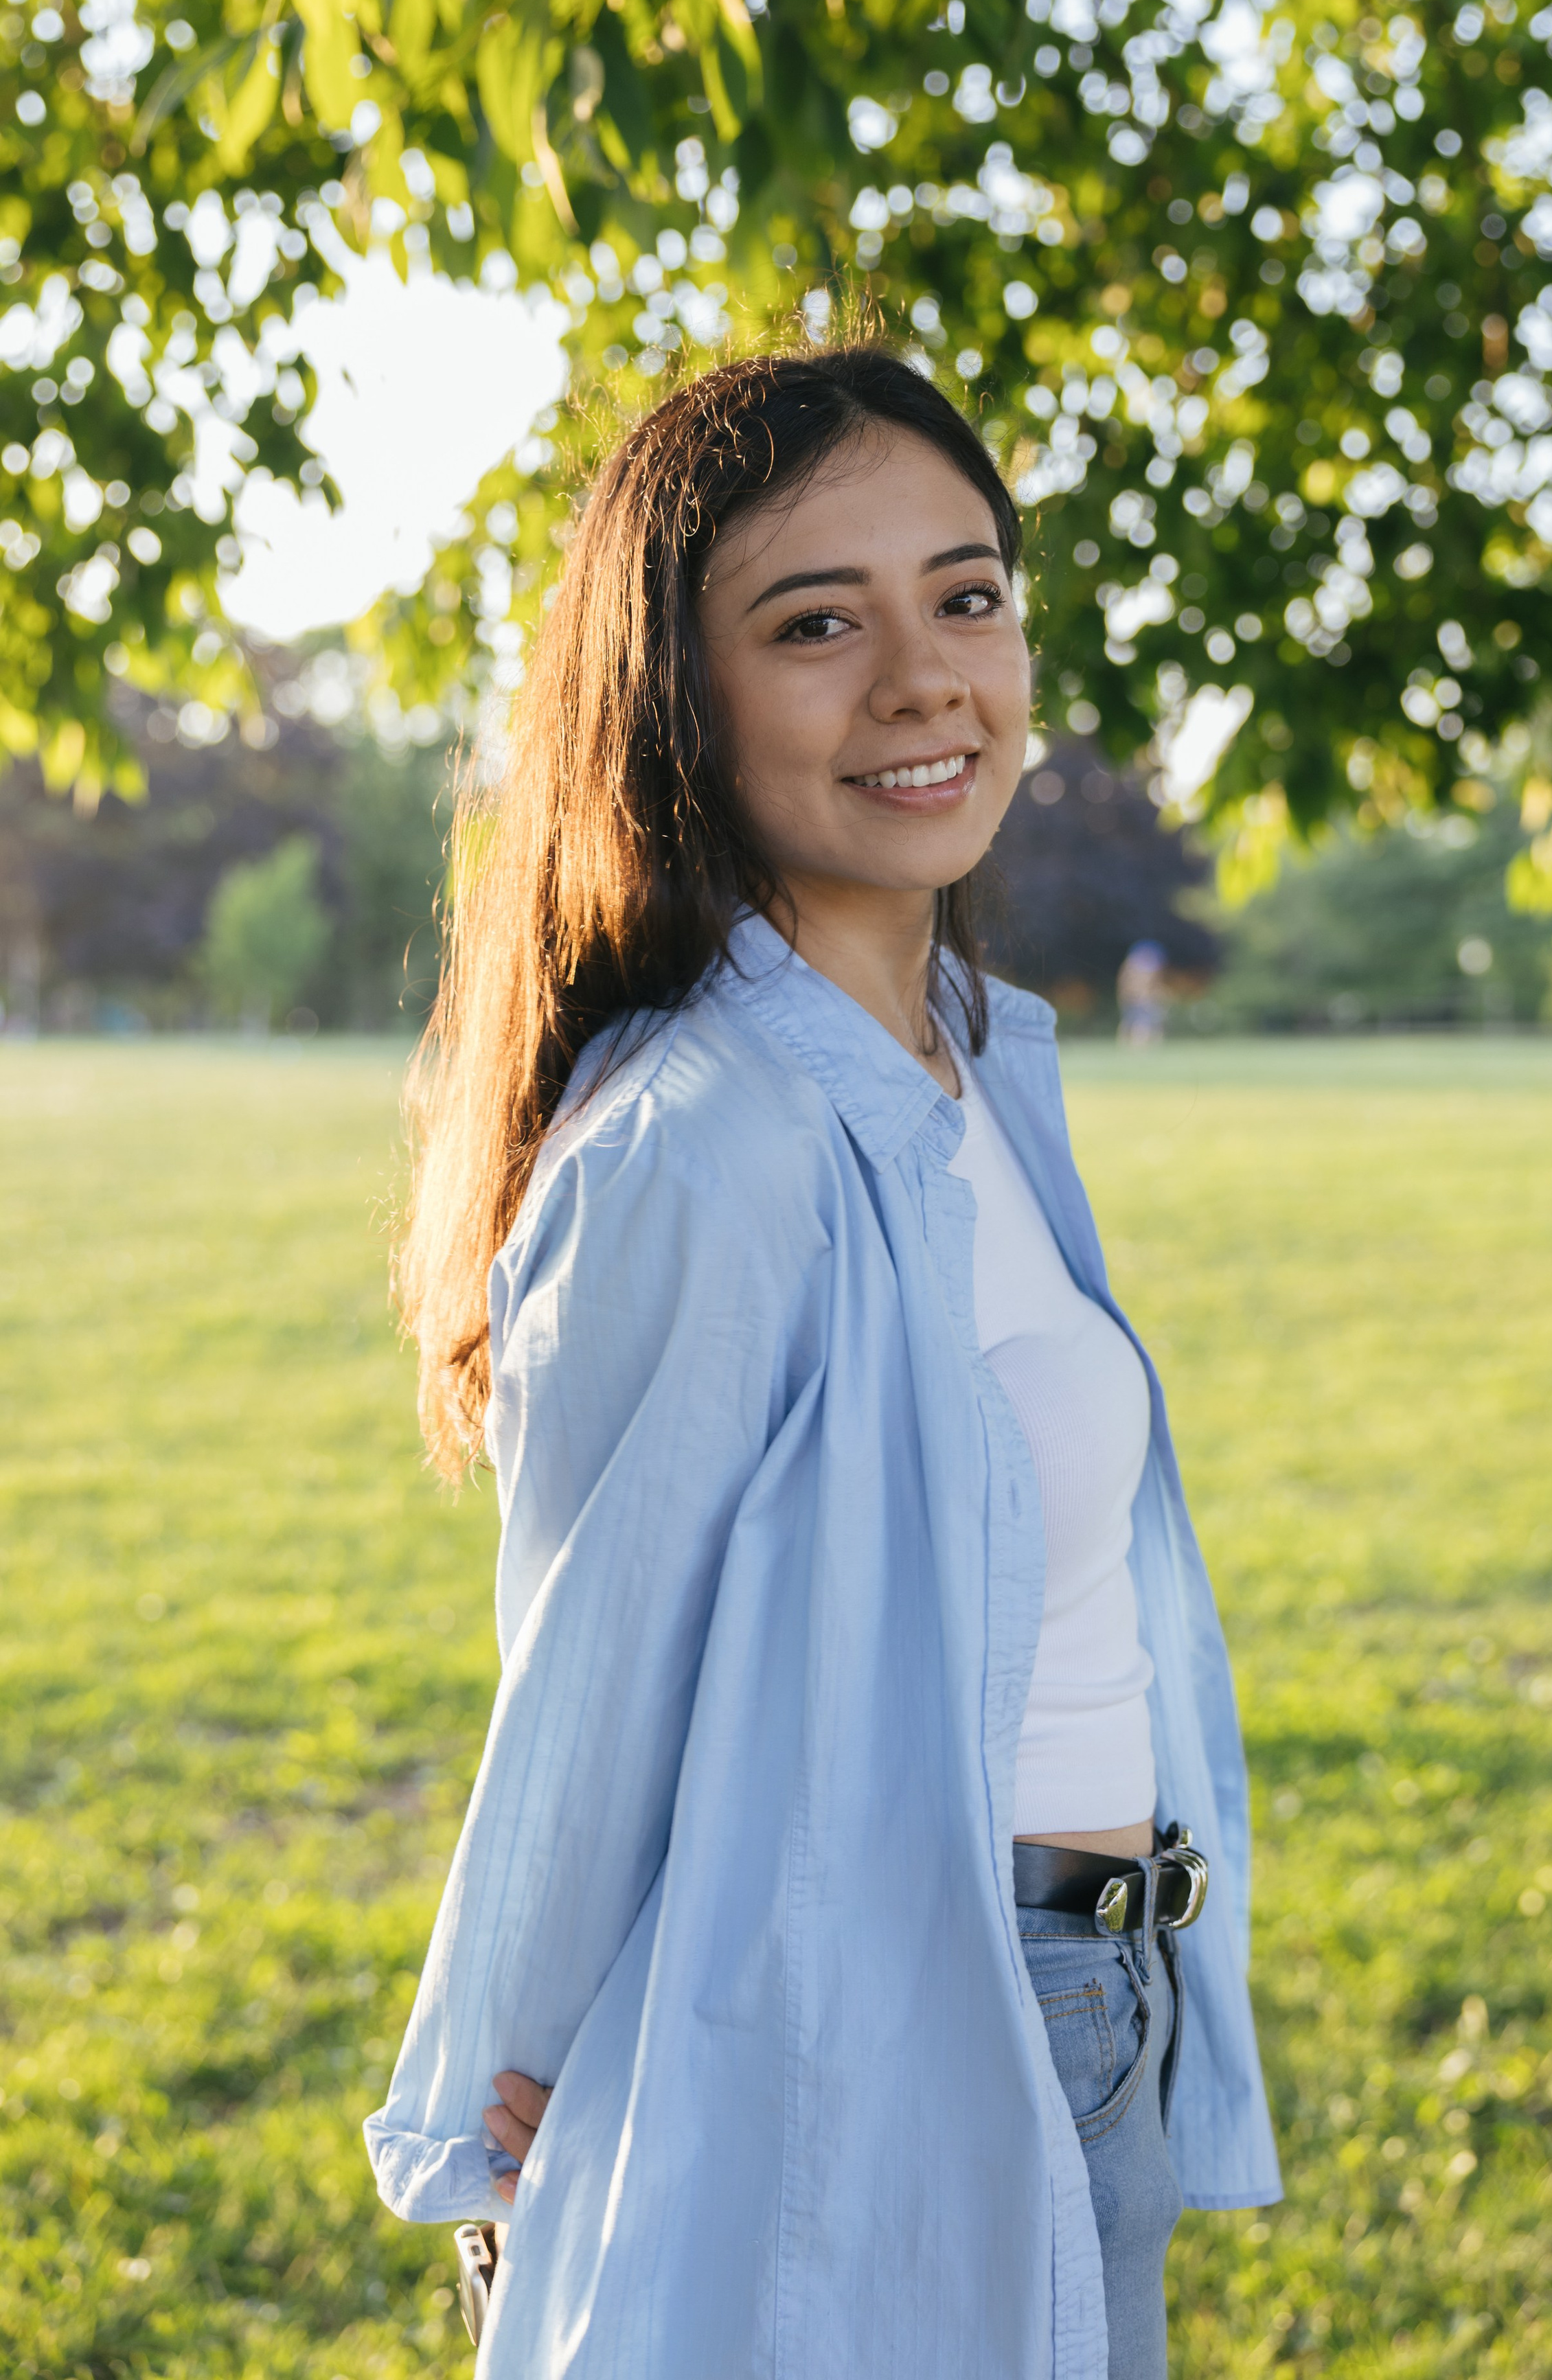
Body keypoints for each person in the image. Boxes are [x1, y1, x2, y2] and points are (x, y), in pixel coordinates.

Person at [369, 345, 1279, 2377]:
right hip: (873, 2045)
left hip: (1092, 2012)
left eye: (965, 597)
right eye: (814, 626)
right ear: (680, 707)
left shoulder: (969, 1069)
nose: (924, 681)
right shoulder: (710, 1142)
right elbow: (590, 1687)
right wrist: (509, 2107)